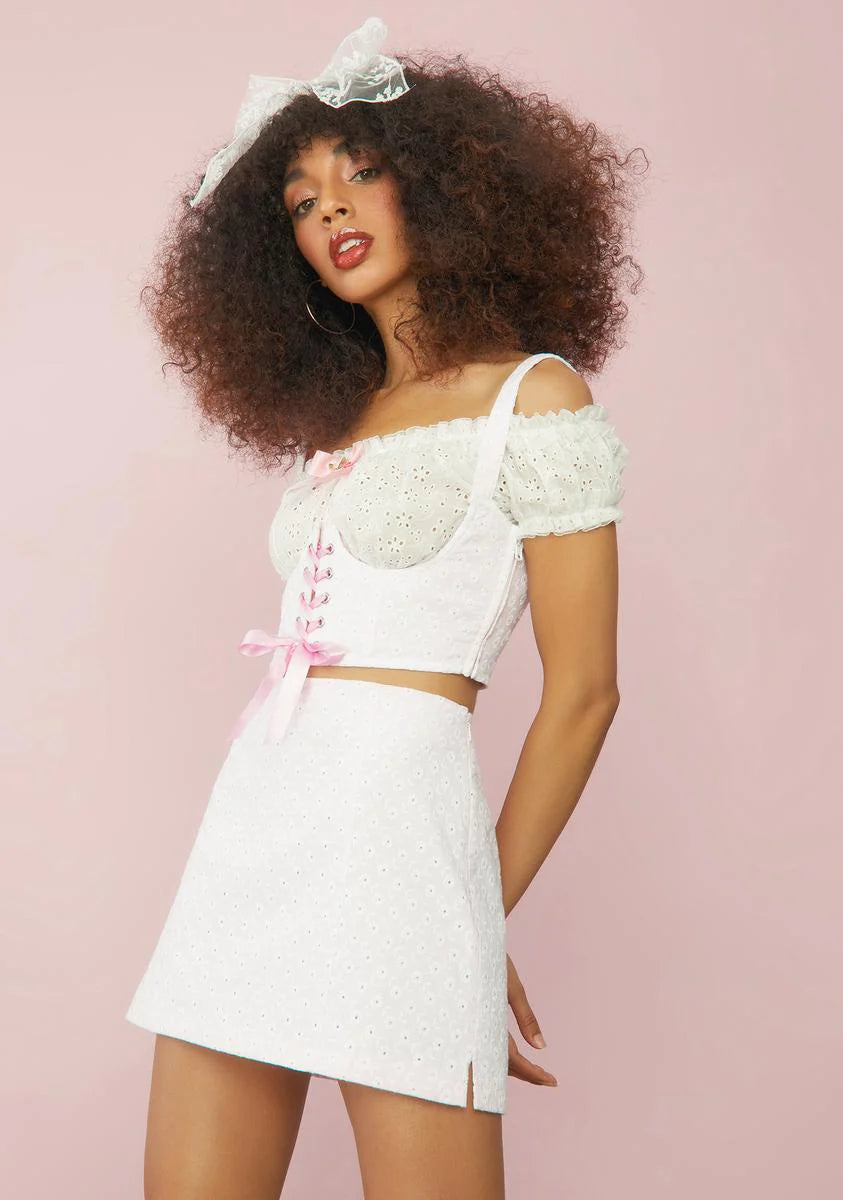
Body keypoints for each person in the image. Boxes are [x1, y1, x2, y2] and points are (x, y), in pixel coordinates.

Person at [125, 17, 644, 1199]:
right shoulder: (341, 419)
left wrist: (480, 908)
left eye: (361, 171)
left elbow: (586, 693)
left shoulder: (534, 398)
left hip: (403, 841)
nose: (333, 212)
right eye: (302, 201)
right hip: (256, 826)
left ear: (446, 185)